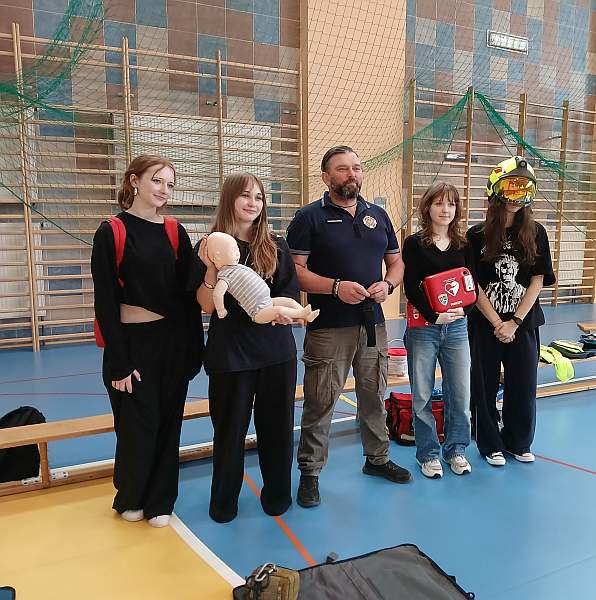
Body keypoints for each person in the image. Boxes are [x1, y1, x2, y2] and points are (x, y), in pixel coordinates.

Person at [286, 145, 411, 508]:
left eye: (356, 167)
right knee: (321, 401)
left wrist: (388, 284)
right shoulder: (308, 218)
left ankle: (378, 459)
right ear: (326, 177)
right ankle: (310, 473)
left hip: (373, 324)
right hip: (328, 327)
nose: (351, 174)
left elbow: (397, 263)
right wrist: (335, 288)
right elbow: (295, 272)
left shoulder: (378, 215)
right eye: (342, 169)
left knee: (374, 395)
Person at [91, 155, 203, 528]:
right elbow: (106, 302)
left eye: (170, 184)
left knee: (169, 424)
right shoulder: (111, 231)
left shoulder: (174, 231)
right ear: (134, 181)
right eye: (157, 180)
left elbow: (188, 296)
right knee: (137, 426)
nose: (164, 190)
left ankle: (160, 500)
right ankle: (131, 495)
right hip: (133, 344)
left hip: (172, 343)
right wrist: (119, 361)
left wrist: (193, 349)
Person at [195, 173, 300, 522]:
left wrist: (287, 314)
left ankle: (278, 494)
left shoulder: (276, 245)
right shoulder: (209, 246)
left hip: (276, 355)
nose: (253, 203)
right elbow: (207, 306)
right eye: (245, 195)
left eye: (258, 197)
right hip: (230, 356)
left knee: (277, 430)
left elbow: (289, 297)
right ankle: (223, 501)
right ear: (229, 199)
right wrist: (211, 269)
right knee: (229, 433)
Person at [467, 156, 555, 467]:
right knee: (484, 386)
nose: (517, 196)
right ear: (496, 189)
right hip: (485, 325)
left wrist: (515, 322)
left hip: (523, 324)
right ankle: (490, 444)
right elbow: (474, 284)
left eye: (524, 189)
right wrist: (497, 322)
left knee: (523, 385)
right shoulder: (476, 235)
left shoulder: (536, 232)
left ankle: (518, 441)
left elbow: (537, 280)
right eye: (511, 187)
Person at [402, 182, 475, 478]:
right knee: (421, 396)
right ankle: (428, 454)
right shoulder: (414, 244)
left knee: (460, 393)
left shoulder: (464, 245)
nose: (446, 209)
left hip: (457, 329)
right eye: (439, 203)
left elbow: (471, 285)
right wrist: (435, 316)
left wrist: (463, 311)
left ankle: (456, 450)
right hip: (424, 329)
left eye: (451, 204)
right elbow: (411, 286)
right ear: (428, 207)